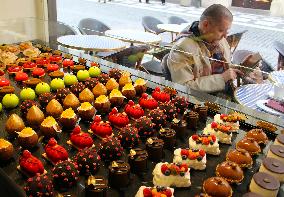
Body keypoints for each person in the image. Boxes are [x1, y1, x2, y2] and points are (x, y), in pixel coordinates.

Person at [164, 4, 244, 97]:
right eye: (221, 30)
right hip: (202, 100)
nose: (225, 36)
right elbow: (183, 87)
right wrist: (222, 78)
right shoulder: (182, 48)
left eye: (227, 31)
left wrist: (238, 69)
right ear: (205, 25)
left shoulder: (219, 39)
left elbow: (224, 64)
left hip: (225, 93)